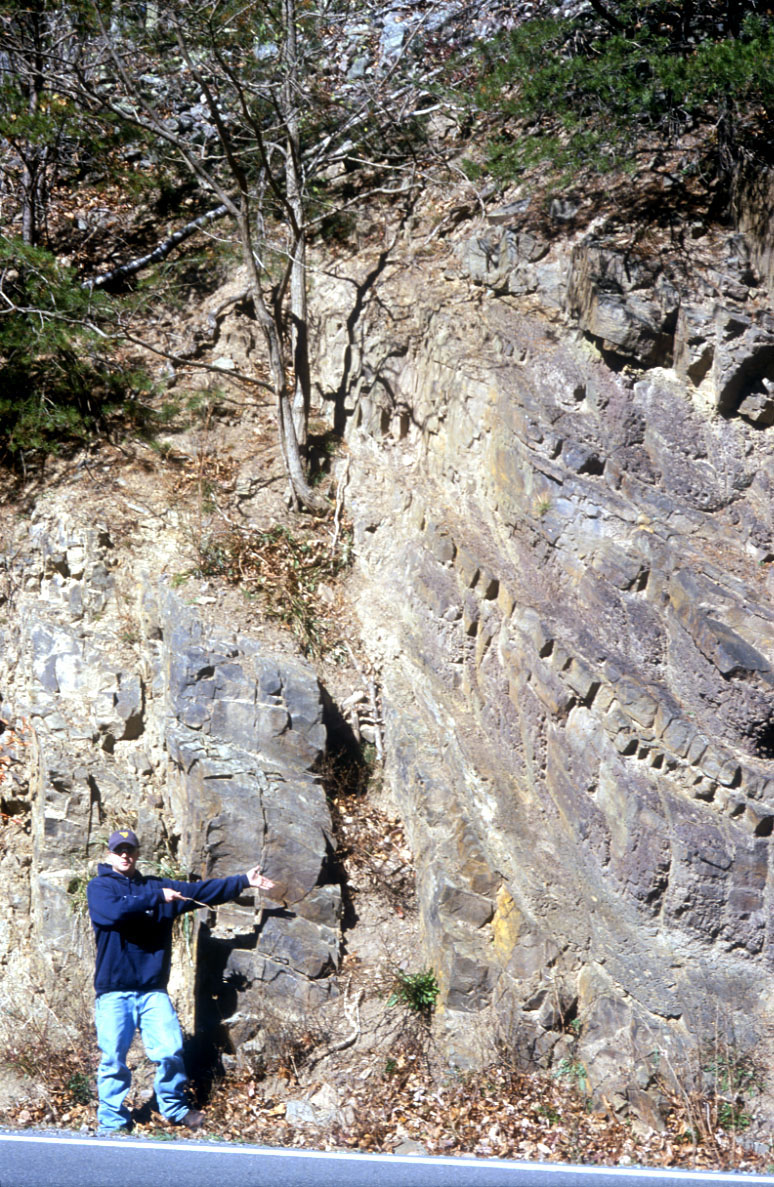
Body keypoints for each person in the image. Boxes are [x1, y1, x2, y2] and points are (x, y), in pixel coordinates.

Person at [86, 827, 274, 1135]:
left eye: (130, 850)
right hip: (113, 993)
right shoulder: (101, 888)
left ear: (137, 854)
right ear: (110, 854)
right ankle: (112, 1123)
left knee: (171, 1051)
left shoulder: (159, 887)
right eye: (119, 850)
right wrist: (155, 898)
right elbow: (112, 914)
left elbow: (200, 892)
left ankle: (172, 1108)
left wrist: (243, 881)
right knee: (113, 1061)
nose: (124, 855)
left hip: (151, 992)